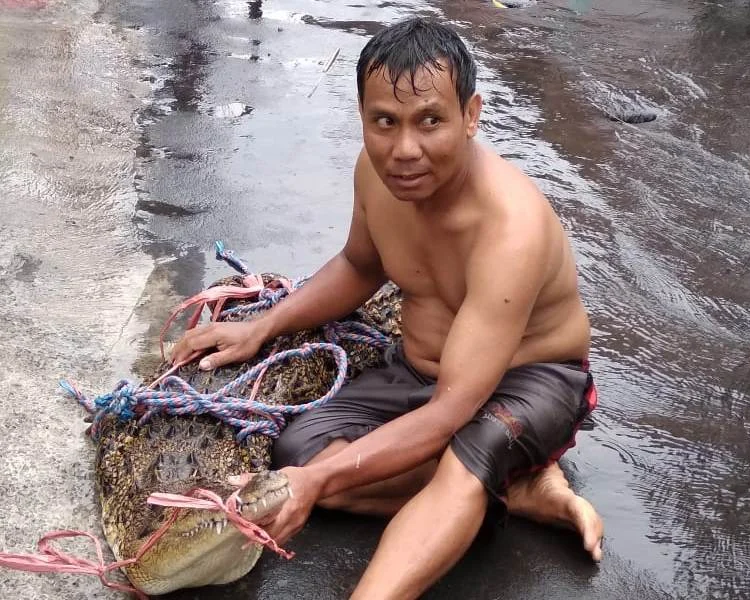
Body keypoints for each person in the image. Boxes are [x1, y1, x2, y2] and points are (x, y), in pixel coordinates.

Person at [172, 17, 603, 599]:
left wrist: (316, 483)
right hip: (422, 370)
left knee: (459, 453)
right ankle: (517, 487)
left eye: (430, 121)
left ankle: (476, 485)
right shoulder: (377, 177)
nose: (404, 150)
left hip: (529, 380)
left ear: (470, 115)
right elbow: (359, 265)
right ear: (363, 117)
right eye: (384, 122)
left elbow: (454, 410)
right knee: (300, 451)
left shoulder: (511, 228)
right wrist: (260, 326)